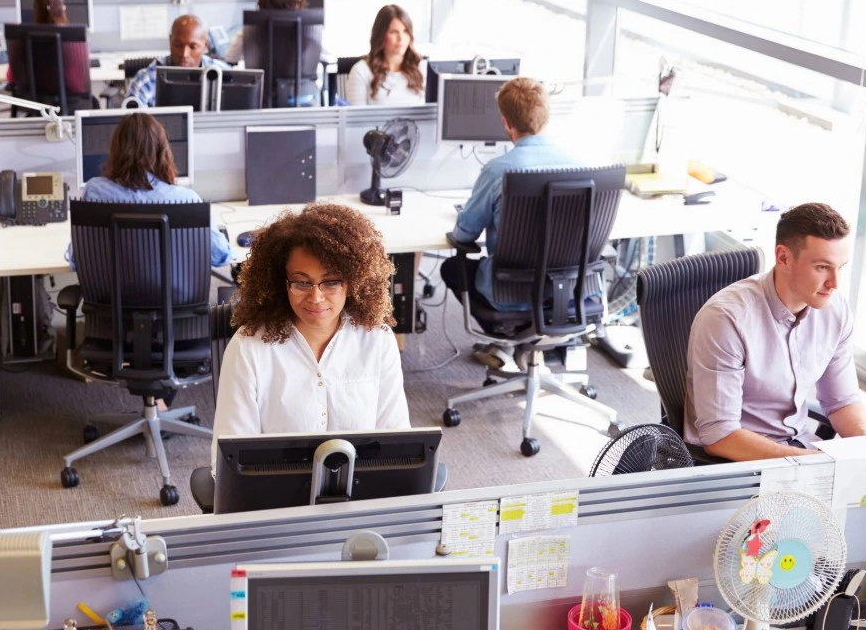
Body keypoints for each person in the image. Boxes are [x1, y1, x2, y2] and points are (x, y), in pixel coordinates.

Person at [211, 202, 411, 473]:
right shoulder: (250, 348)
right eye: (302, 282)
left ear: (352, 281)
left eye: (330, 282)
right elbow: (229, 462)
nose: (316, 298)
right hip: (276, 504)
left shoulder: (377, 340)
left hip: (361, 501)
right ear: (282, 283)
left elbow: (397, 445)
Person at [684, 203, 866, 461]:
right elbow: (720, 435)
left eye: (841, 267)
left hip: (798, 448)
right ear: (783, 258)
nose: (835, 283)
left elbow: (841, 401)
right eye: (822, 267)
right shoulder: (726, 319)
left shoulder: (834, 309)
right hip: (738, 460)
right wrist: (805, 462)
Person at [441, 77, 577, 369]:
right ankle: (526, 344)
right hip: (565, 292)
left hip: (508, 294)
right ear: (547, 116)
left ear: (506, 122)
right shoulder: (577, 165)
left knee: (452, 268)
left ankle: (504, 337)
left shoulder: (497, 171)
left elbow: (465, 233)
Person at [64, 111, 231, 270]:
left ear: (115, 151)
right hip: (176, 299)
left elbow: (76, 260)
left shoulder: (94, 192)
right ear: (162, 152)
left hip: (110, 299)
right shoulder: (186, 199)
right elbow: (221, 256)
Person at [127, 14, 230, 108]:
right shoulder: (147, 79)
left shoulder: (224, 73)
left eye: (193, 47)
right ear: (170, 41)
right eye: (178, 45)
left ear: (205, 46)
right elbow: (134, 122)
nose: (184, 54)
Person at [223, 0, 320, 68]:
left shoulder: (252, 27)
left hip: (261, 82)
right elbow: (330, 55)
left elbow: (230, 58)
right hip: (303, 83)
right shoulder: (310, 27)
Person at [346, 5, 425, 106]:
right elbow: (355, 119)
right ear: (381, 35)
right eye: (394, 32)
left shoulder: (422, 68)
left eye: (405, 31)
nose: (401, 38)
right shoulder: (361, 71)